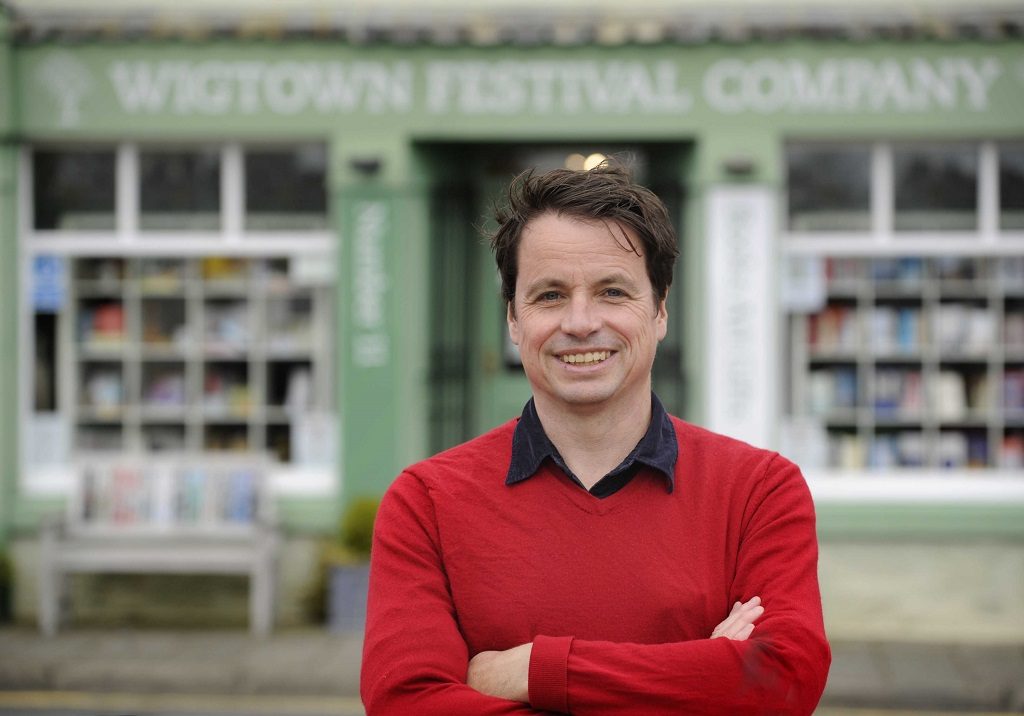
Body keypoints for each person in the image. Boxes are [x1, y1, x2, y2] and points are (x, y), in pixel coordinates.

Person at [360, 161, 831, 714]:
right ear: (512, 319)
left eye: (612, 291)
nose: (581, 322)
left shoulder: (758, 491)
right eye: (550, 296)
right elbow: (407, 703)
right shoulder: (426, 503)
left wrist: (534, 671)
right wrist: (696, 678)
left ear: (659, 310)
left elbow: (782, 679)